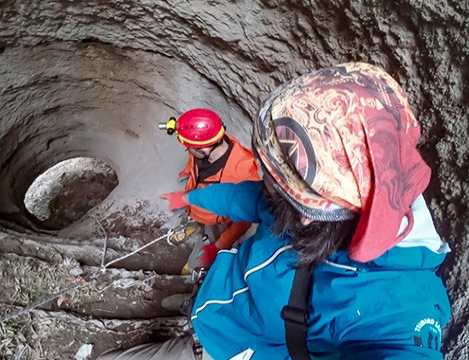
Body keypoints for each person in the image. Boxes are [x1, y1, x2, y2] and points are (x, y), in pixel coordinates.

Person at [99, 63, 451, 360]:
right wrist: (193, 200)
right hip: (218, 315)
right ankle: (193, 307)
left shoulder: (397, 310)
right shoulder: (308, 206)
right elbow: (248, 198)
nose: (261, 179)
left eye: (271, 179)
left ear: (308, 213)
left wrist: (217, 244)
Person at [159, 108, 260, 271]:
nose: (187, 150)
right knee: (194, 217)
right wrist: (187, 172)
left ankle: (194, 269)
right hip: (196, 207)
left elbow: (243, 221)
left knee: (200, 261)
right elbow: (194, 159)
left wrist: (219, 245)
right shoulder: (208, 145)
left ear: (202, 149)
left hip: (218, 222)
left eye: (188, 147)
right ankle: (194, 224)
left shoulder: (241, 172)